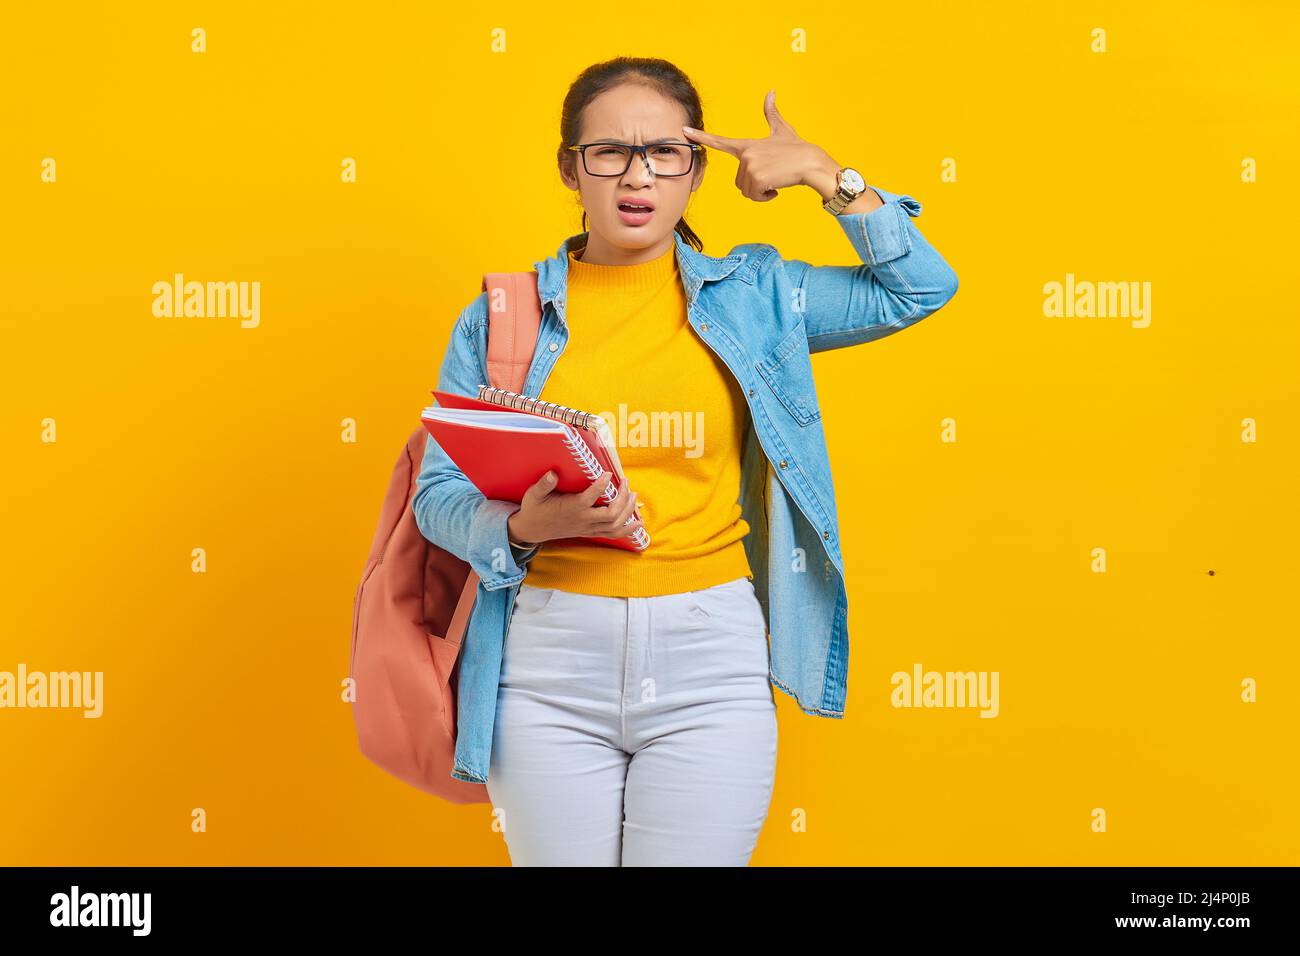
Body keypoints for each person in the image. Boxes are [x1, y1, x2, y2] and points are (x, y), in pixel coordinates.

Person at [413, 56, 959, 865]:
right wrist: (524, 526)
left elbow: (917, 287)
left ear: (697, 169)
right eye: (610, 153)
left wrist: (824, 175)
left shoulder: (756, 295)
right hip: (546, 664)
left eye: (665, 153)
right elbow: (437, 495)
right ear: (571, 168)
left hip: (710, 656)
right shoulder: (503, 319)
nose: (639, 176)